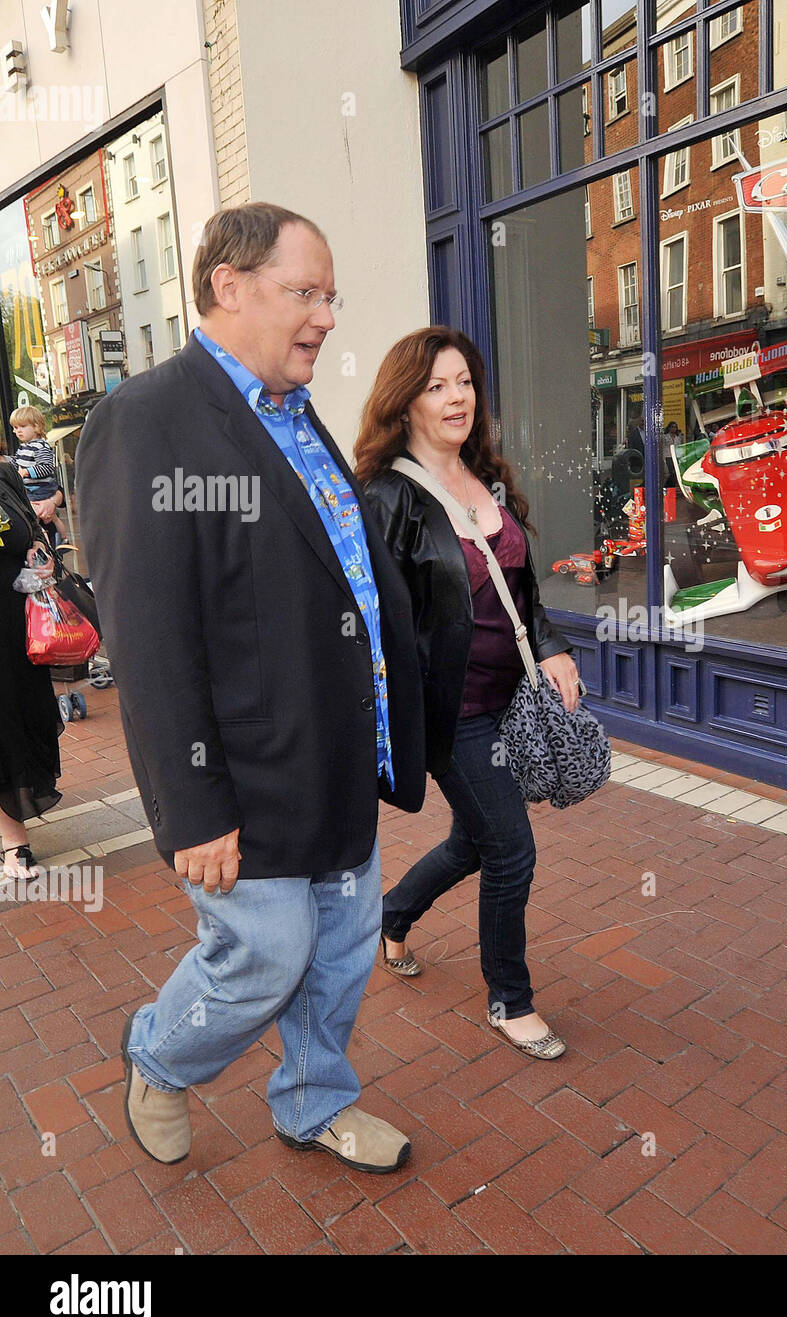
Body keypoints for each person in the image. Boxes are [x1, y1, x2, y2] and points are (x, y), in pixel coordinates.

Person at [76, 203, 427, 1172]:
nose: (325, 315)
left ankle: (314, 1101)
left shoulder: (293, 413)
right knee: (263, 957)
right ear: (229, 287)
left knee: (342, 952)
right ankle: (156, 1056)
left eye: (331, 296)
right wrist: (191, 809)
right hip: (240, 776)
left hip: (339, 753)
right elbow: (148, 637)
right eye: (304, 292)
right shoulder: (143, 420)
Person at [356, 327, 579, 1061]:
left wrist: (552, 650)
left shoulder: (490, 478)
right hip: (453, 711)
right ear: (405, 402)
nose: (457, 398)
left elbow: (525, 592)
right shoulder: (386, 498)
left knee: (473, 841)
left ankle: (392, 913)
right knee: (511, 850)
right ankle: (510, 999)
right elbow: (366, 621)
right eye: (436, 386)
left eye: (465, 382)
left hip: (514, 701)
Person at [0, 453, 63, 879]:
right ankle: (12, 839)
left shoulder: (5, 472)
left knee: (22, 723)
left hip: (17, 632)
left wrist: (40, 551)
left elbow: (31, 530)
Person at [8, 406, 62, 550]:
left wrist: (26, 472)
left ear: (36, 426)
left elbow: (47, 467)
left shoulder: (40, 446)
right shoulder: (23, 448)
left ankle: (58, 542)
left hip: (39, 489)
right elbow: (15, 462)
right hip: (32, 490)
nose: (17, 431)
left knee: (37, 520)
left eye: (22, 427)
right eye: (15, 427)